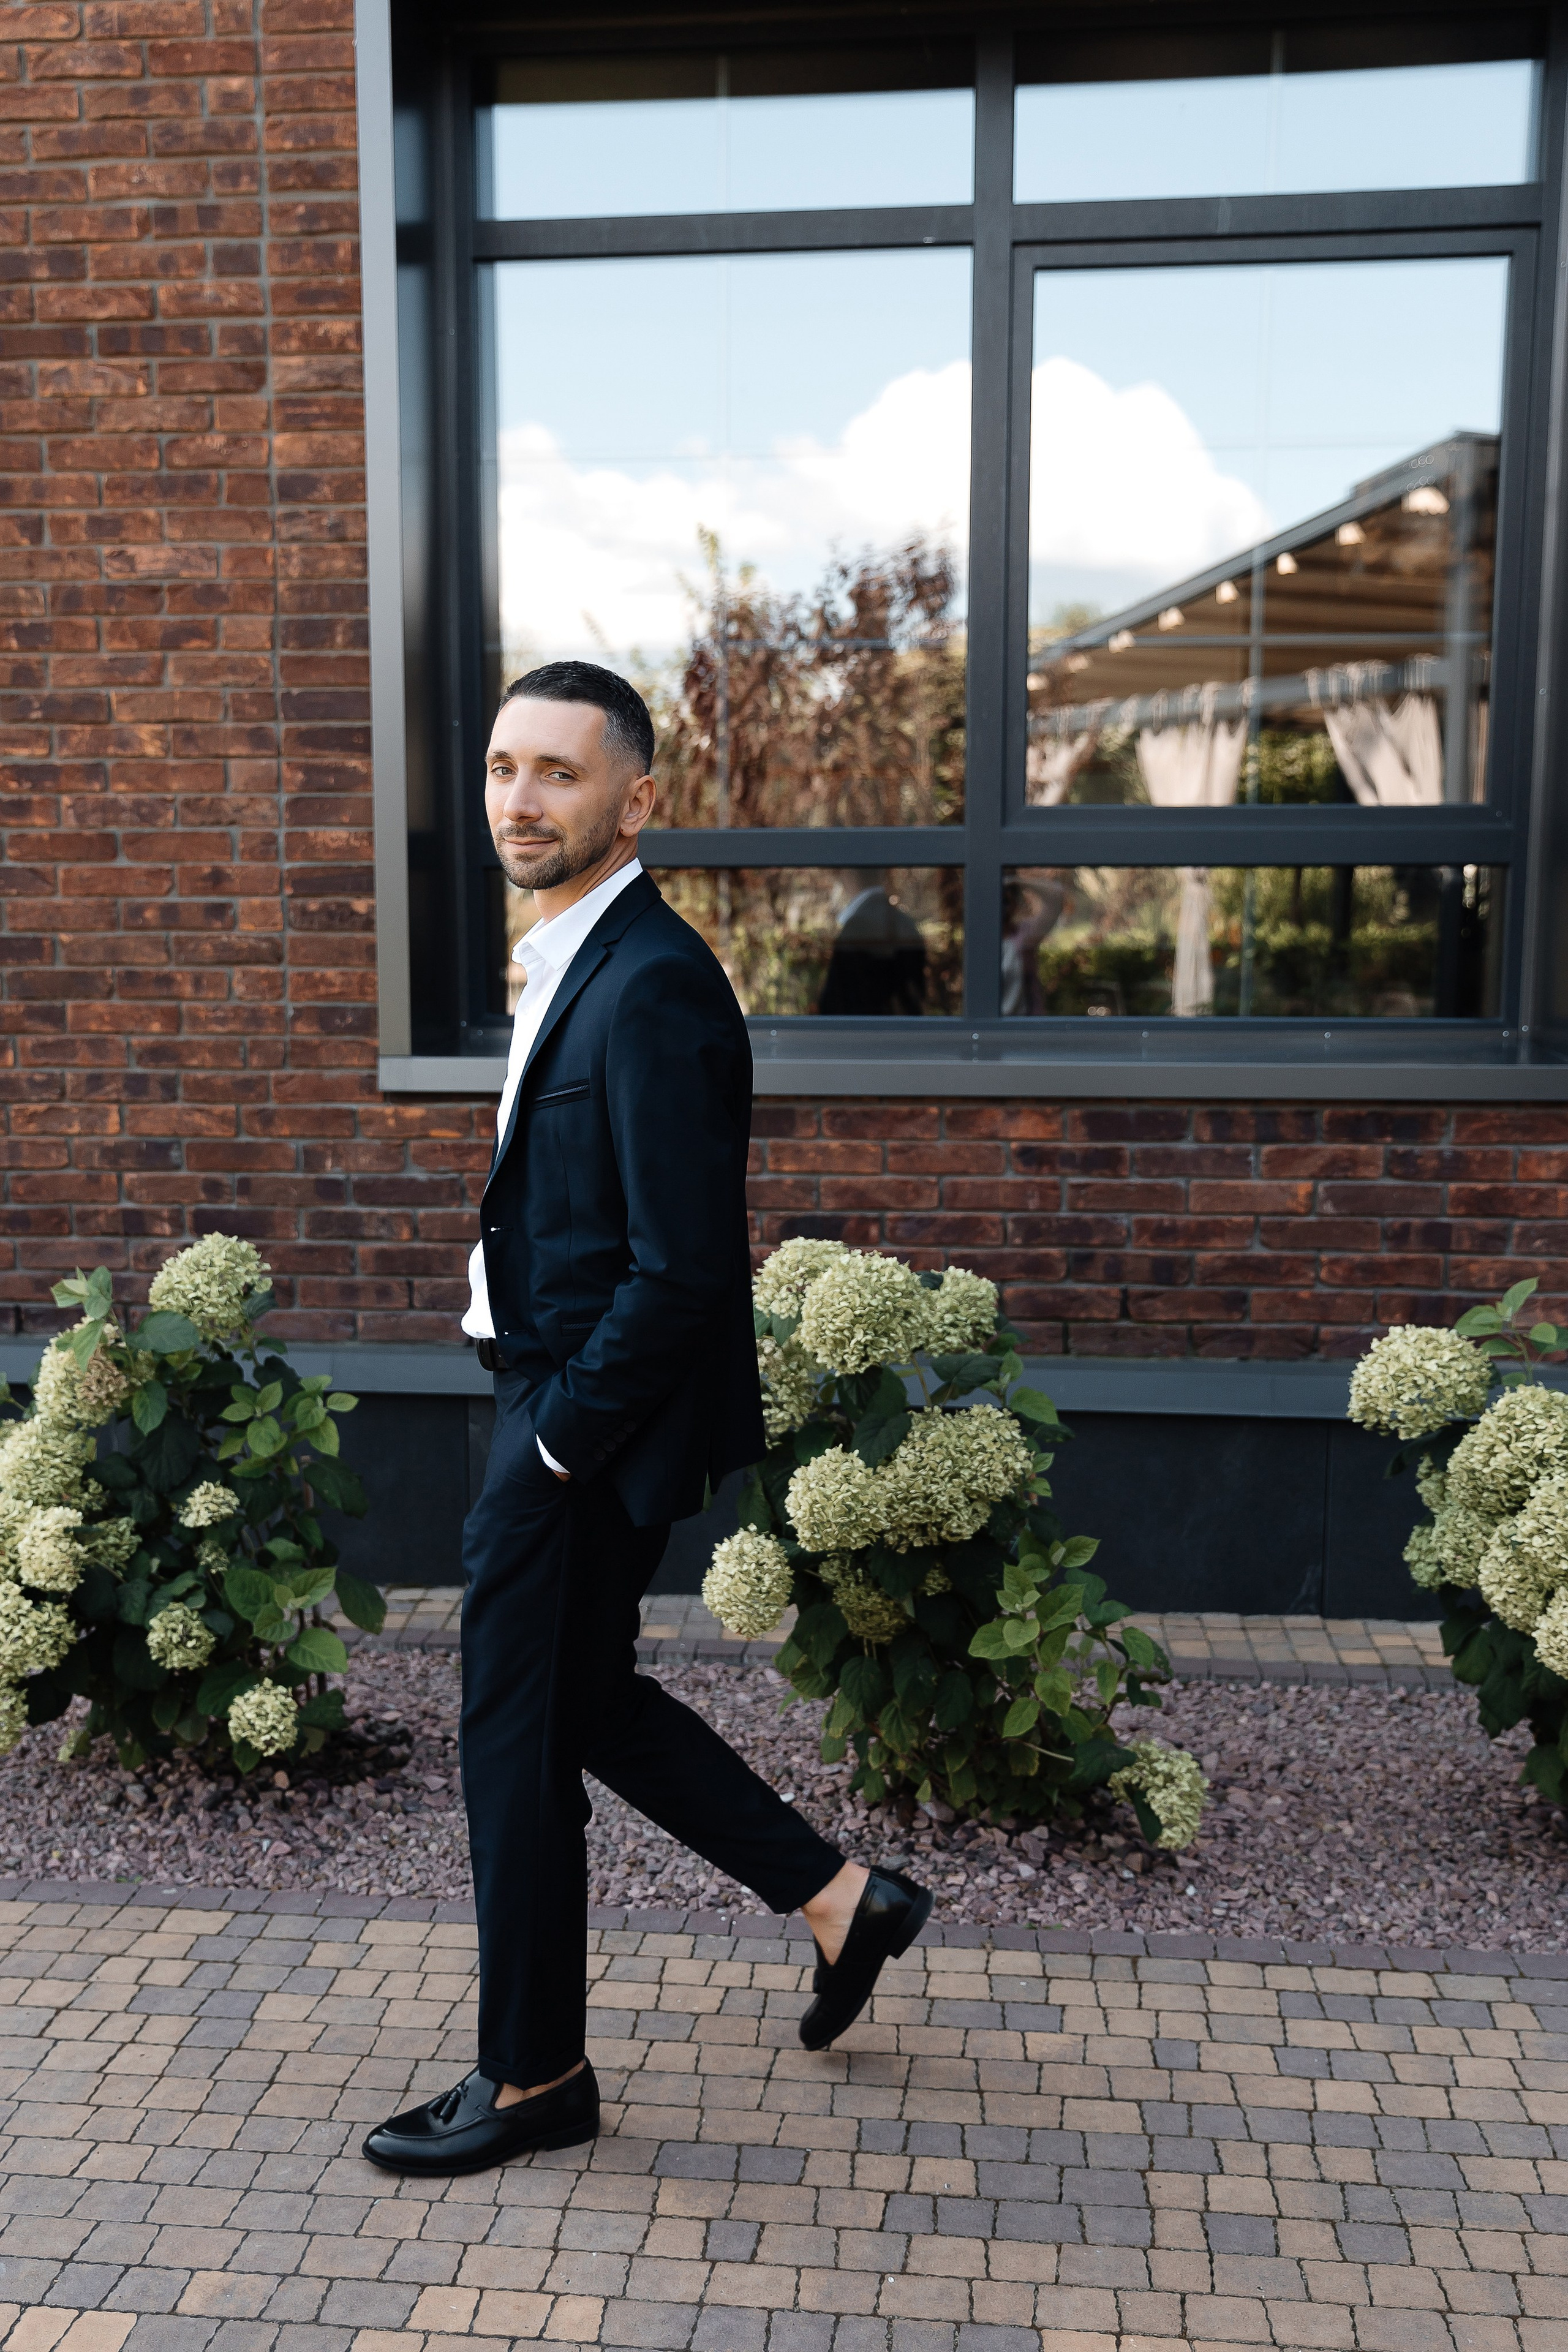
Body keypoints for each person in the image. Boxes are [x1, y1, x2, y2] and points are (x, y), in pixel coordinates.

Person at [363, 661, 932, 2177]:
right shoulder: (570, 959)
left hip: (574, 1424)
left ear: (636, 799)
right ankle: (841, 1901)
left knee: (512, 1741)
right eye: (504, 767)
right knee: (584, 1704)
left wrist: (555, 1445)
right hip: (546, 1396)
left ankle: (534, 2077)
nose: (521, 799)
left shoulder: (656, 979)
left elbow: (683, 1269)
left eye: (559, 772)